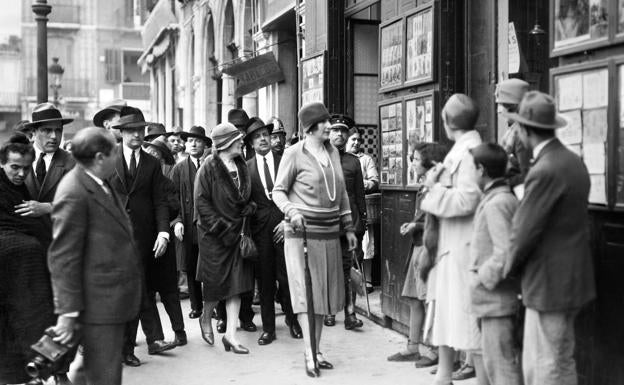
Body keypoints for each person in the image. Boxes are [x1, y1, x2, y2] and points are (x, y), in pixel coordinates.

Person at [504, 91, 596, 385]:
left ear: (527, 130)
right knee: (562, 358)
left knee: (543, 365)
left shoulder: (543, 170)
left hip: (548, 283)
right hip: (572, 279)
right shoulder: (572, 161)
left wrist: (506, 269)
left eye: (518, 125)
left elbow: (523, 231)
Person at [48, 127, 142, 385]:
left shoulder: (98, 182)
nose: (118, 154)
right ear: (100, 157)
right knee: (103, 375)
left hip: (109, 299)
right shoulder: (74, 191)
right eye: (115, 150)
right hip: (98, 303)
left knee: (94, 371)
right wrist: (67, 313)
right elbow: (63, 258)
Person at [272, 102, 358, 377]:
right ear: (310, 128)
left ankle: (317, 350)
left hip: (330, 233)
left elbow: (342, 193)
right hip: (301, 235)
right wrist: (292, 210)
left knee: (322, 295)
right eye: (324, 122)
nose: (329, 126)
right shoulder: (293, 153)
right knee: (305, 294)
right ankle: (309, 353)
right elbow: (278, 191)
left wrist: (348, 228)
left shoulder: (333, 152)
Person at [419, 94, 482, 385]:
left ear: (446, 121)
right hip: (451, 245)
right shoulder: (463, 148)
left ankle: (479, 378)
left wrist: (434, 190)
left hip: (463, 247)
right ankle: (444, 376)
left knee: (468, 320)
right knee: (446, 314)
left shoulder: (470, 151)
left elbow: (468, 199)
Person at [108, 107, 176, 366]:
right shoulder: (107, 158)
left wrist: (163, 232)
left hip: (145, 237)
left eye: (140, 130)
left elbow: (160, 201)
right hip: (114, 237)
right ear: (122, 132)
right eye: (131, 130)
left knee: (141, 289)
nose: (137, 135)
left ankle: (134, 346)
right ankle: (138, 343)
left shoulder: (151, 163)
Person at [194, 122, 256, 353]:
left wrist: (248, 207)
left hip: (238, 234)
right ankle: (206, 316)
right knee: (215, 287)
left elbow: (243, 197)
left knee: (237, 286)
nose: (242, 142)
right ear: (225, 144)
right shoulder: (207, 168)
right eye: (237, 139)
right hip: (215, 237)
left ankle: (230, 336)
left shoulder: (241, 165)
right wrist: (223, 228)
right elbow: (202, 205)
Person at [0, 133, 56, 385]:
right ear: (2, 164)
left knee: (35, 321)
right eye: (14, 167)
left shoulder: (19, 190)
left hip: (25, 276)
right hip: (10, 272)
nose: (21, 173)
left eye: (25, 168)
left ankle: (40, 372)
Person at [387, 142, 447, 369]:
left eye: (415, 159)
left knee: (428, 299)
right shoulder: (424, 185)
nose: (411, 162)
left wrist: (414, 225)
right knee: (414, 298)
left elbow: (434, 217)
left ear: (429, 163)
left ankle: (433, 350)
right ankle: (413, 346)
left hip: (428, 247)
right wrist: (414, 225)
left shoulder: (437, 187)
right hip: (417, 245)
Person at [245, 117, 303, 346]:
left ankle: (293, 320)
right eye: (257, 136)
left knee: (289, 279)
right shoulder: (246, 167)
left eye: (265, 135)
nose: (262, 139)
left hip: (285, 228)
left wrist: (287, 220)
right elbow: (245, 202)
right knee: (266, 281)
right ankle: (268, 328)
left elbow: (296, 194)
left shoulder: (284, 161)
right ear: (250, 142)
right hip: (260, 233)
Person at [468, 143, 522, 385]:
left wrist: (481, 278)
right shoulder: (496, 198)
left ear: (481, 169)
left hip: (497, 301)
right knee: (494, 366)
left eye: (472, 168)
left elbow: (505, 252)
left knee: (502, 370)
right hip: (492, 301)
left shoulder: (498, 202)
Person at [141, 136, 187, 347]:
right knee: (147, 293)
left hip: (164, 245)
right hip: (144, 244)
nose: (152, 158)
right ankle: (156, 337)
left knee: (169, 292)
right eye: (149, 153)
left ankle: (180, 332)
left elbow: (174, 208)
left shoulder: (166, 183)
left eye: (156, 155)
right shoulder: (139, 183)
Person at [324, 114, 367, 330]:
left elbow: (359, 195)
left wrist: (363, 224)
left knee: (349, 269)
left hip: (351, 225)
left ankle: (350, 314)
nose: (339, 134)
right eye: (335, 130)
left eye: (343, 131)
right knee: (330, 270)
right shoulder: (320, 158)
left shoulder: (353, 161)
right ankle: (330, 312)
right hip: (327, 225)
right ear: (328, 133)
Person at [171, 126, 212, 323]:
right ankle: (197, 306)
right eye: (189, 141)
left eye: (197, 140)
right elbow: (172, 199)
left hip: (209, 224)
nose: (193, 144)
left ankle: (213, 306)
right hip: (188, 224)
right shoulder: (179, 169)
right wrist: (177, 220)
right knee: (190, 263)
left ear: (205, 144)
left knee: (211, 265)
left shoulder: (212, 166)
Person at [22, 103, 75, 222]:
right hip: (23, 233)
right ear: (33, 133)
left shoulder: (73, 162)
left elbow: (82, 201)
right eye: (47, 130)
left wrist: (47, 207)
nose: (54, 136)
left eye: (58, 130)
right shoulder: (17, 159)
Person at [495, 78, 531, 195]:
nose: (499, 111)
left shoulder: (521, 134)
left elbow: (526, 175)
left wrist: (504, 182)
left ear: (514, 107)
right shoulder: (515, 129)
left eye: (501, 105)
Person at [345, 128, 379, 193]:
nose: (357, 142)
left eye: (359, 140)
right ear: (346, 140)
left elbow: (375, 182)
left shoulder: (366, 159)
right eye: (353, 139)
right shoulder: (339, 157)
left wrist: (357, 183)